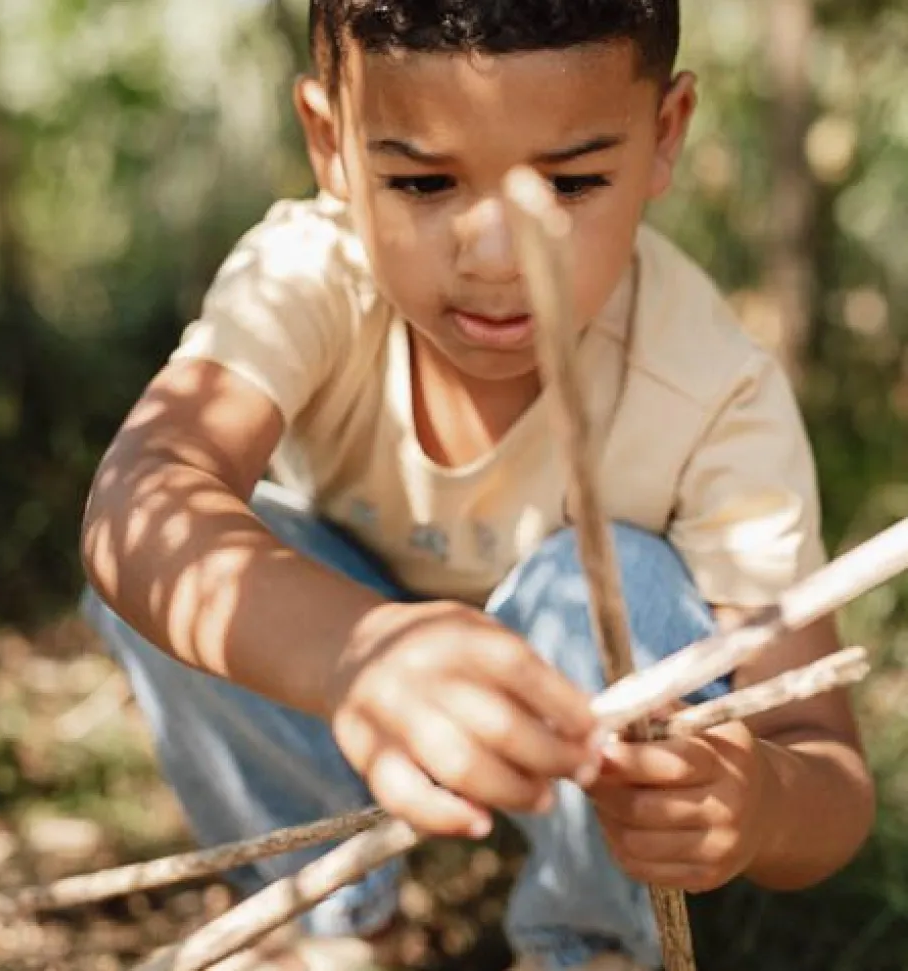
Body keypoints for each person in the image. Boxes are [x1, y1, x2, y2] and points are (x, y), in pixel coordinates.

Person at [80, 1, 875, 968]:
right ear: (331, 142)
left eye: (571, 182)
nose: (496, 257)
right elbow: (139, 500)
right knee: (174, 560)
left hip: (591, 741)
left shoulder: (715, 392)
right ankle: (338, 920)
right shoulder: (308, 276)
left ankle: (588, 943)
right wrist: (359, 651)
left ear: (665, 133)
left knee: (613, 576)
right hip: (355, 660)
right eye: (423, 181)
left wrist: (759, 804)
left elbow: (822, 757)